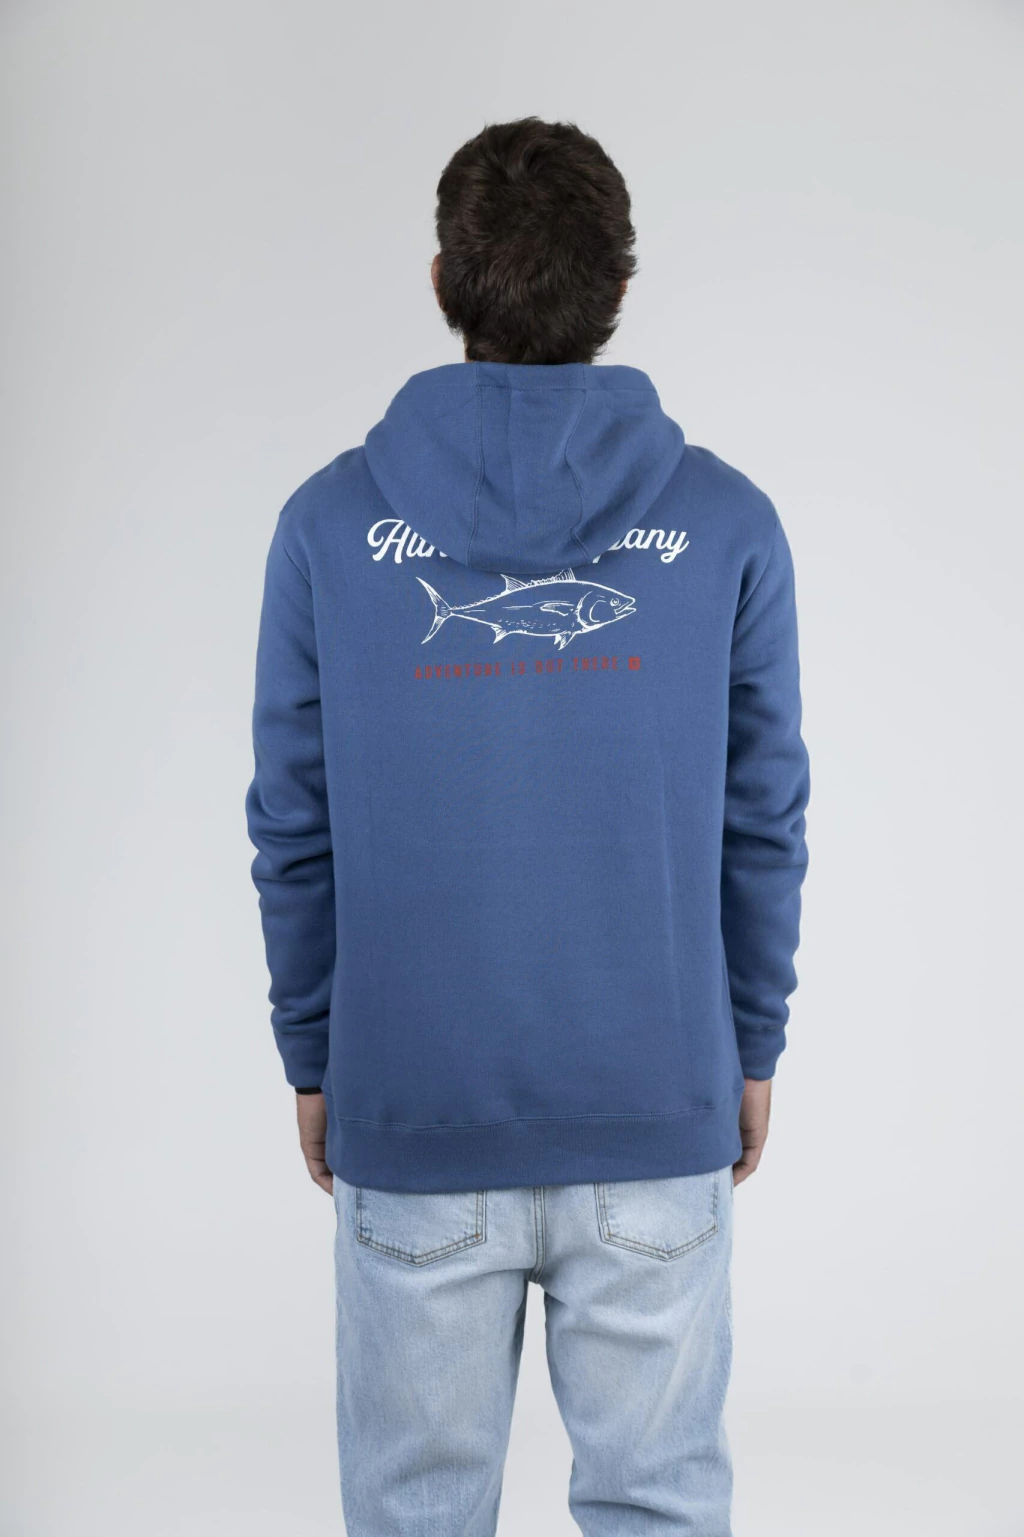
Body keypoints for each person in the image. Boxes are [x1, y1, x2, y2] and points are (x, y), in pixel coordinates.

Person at [246, 116, 809, 1537]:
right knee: (659, 1508)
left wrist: (314, 1056)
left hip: (412, 1105)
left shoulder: (327, 526)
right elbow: (764, 819)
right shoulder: (728, 523)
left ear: (443, 280)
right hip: (656, 1100)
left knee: (416, 1516)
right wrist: (750, 1042)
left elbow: (294, 825)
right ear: (618, 286)